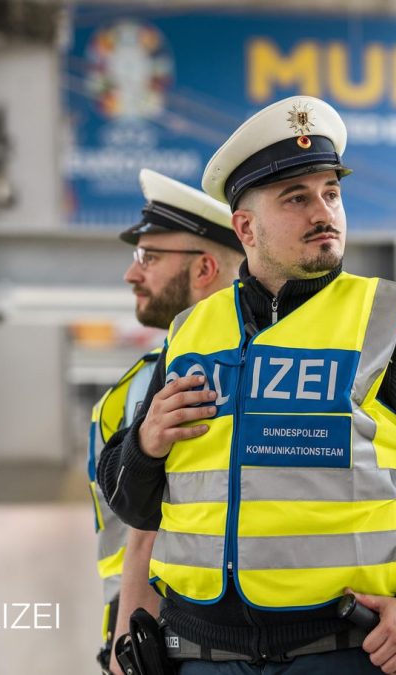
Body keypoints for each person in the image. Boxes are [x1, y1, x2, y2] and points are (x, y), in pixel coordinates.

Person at [96, 95, 396, 675]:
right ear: (245, 227)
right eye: (296, 198)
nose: (323, 212)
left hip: (351, 654)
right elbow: (131, 505)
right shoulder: (190, 332)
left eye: (331, 193)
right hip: (200, 656)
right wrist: (145, 446)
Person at [88, 168, 244, 674]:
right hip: (153, 633)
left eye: (149, 258)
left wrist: (123, 657)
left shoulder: (184, 379)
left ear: (204, 269)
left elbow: (146, 532)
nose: (133, 274)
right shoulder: (150, 379)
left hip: (159, 632)